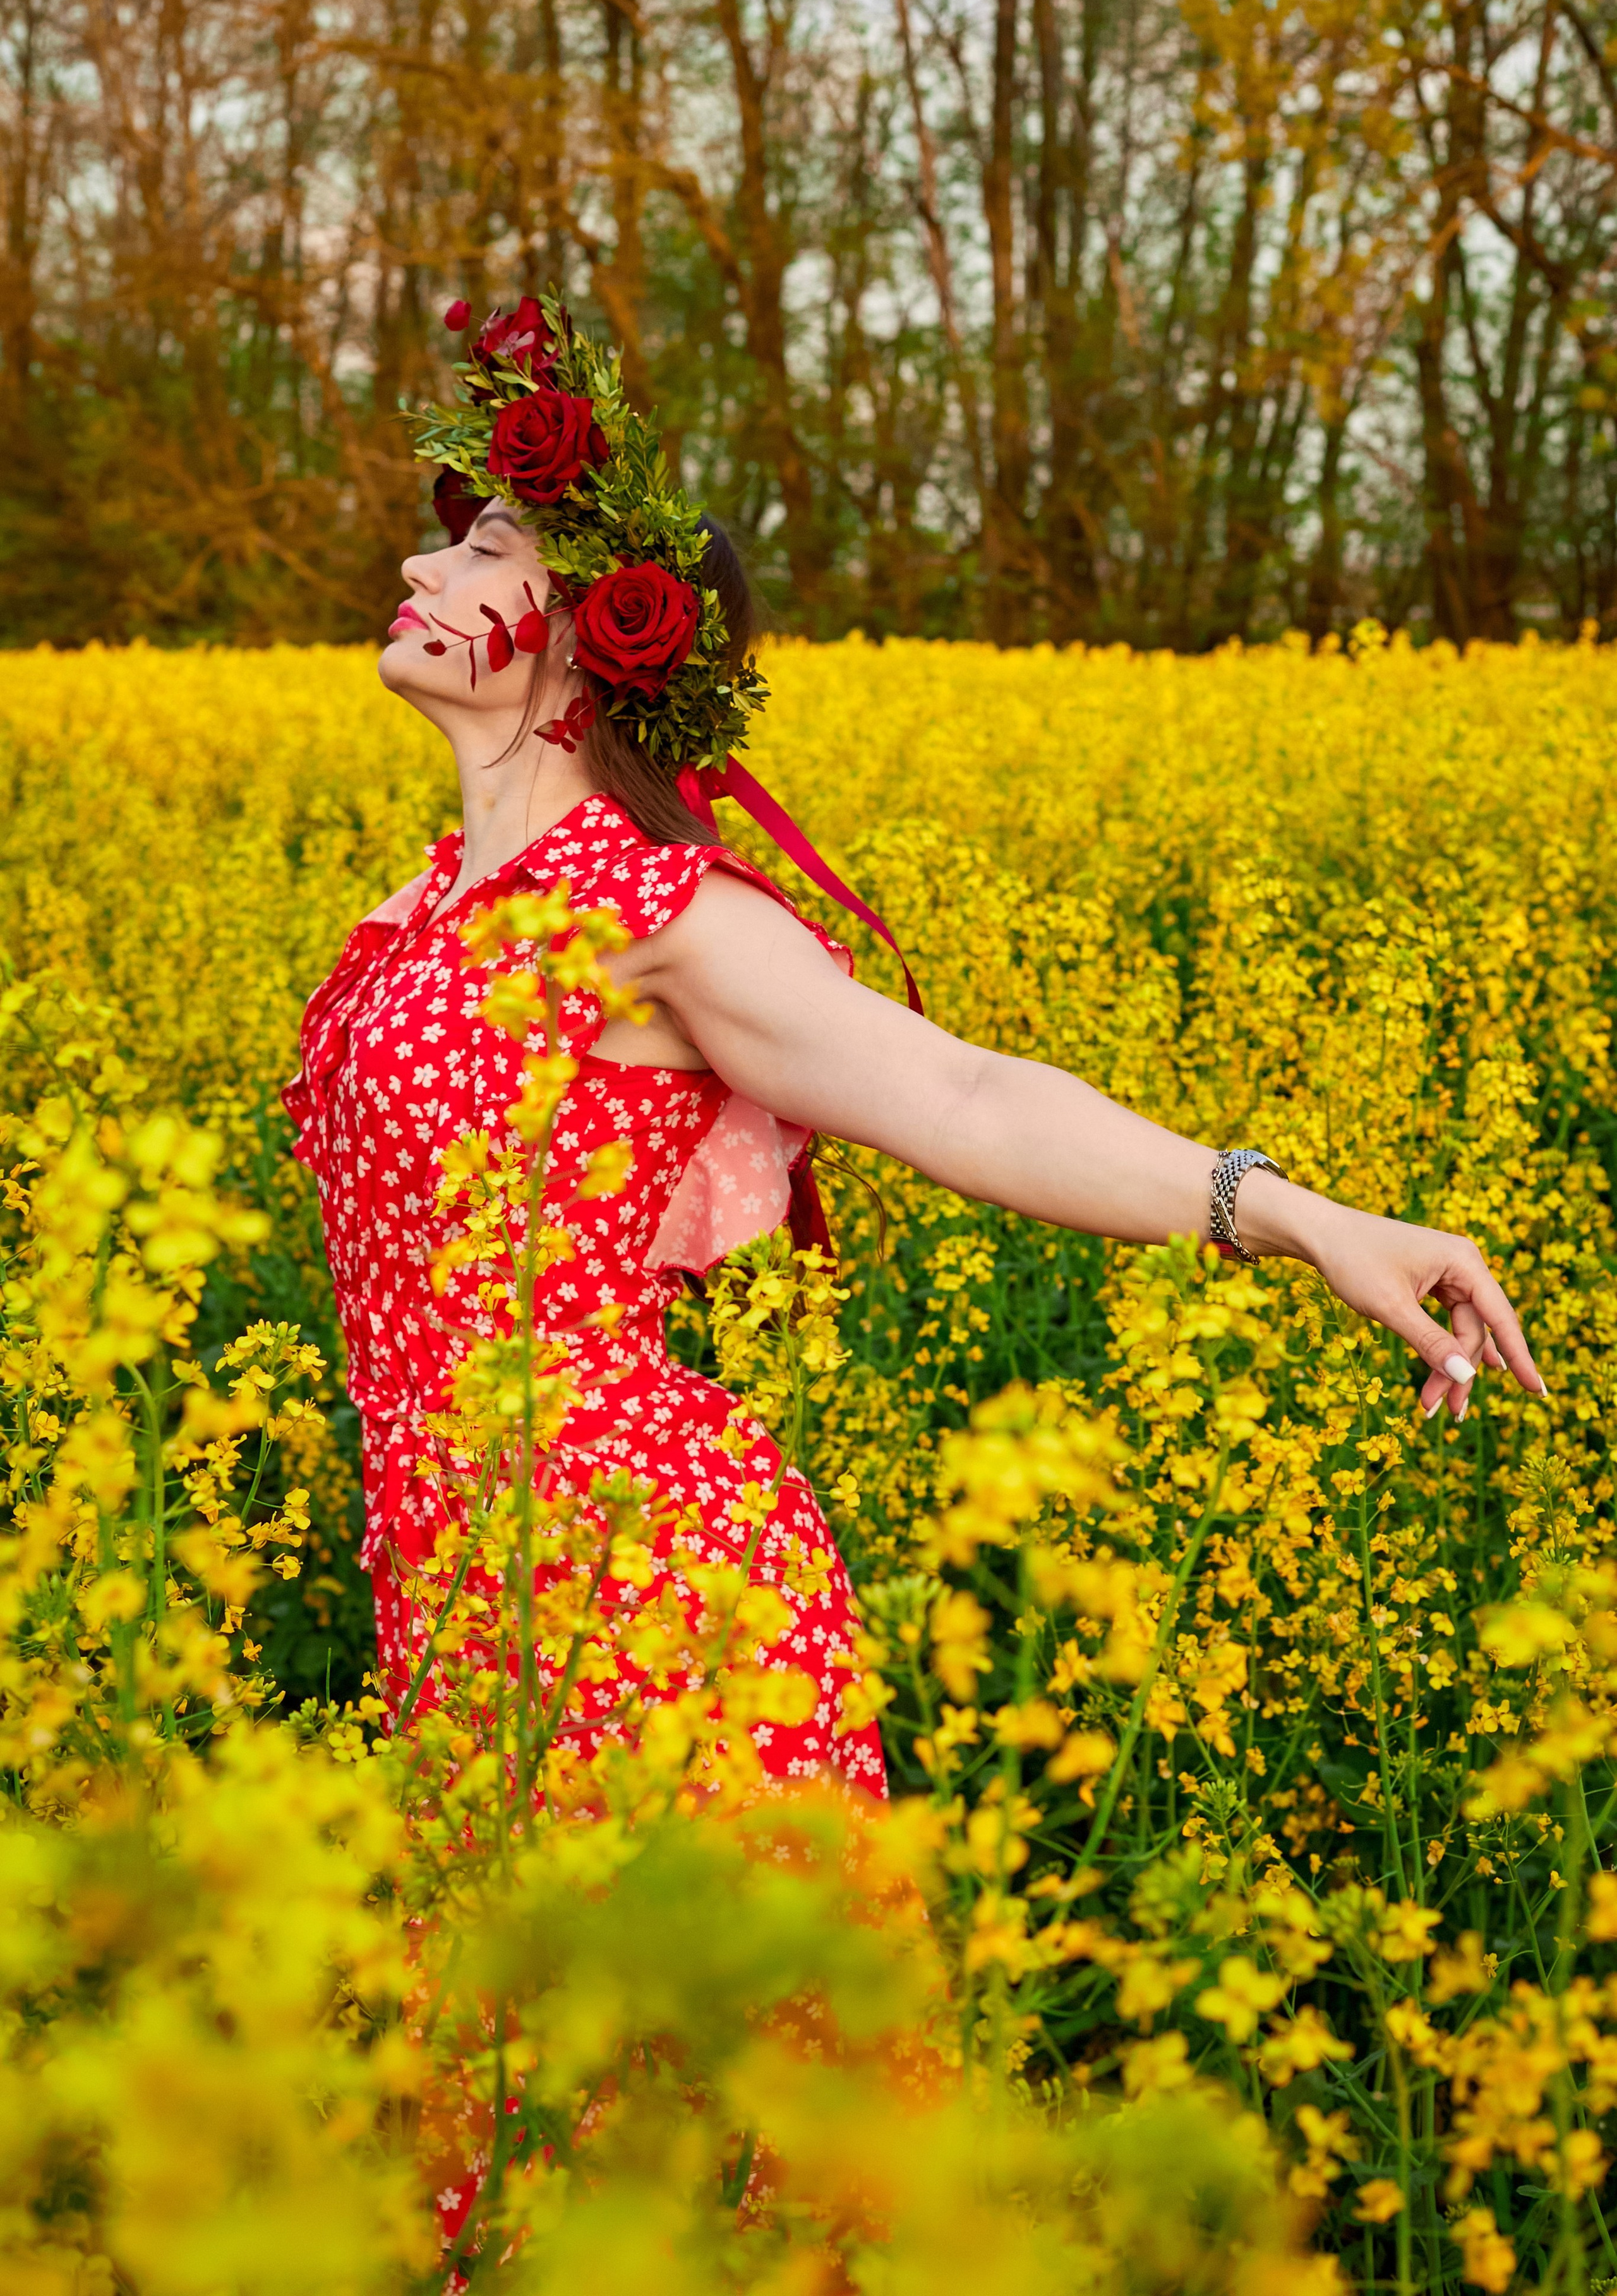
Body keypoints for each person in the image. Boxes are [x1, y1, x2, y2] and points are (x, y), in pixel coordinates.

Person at [285, 296, 1545, 1810]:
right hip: (449, 1580)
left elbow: (960, 1092)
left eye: (484, 548)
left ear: (586, 636)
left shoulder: (654, 909)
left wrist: (1293, 1215)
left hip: (639, 1583)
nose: (424, 564)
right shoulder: (414, 908)